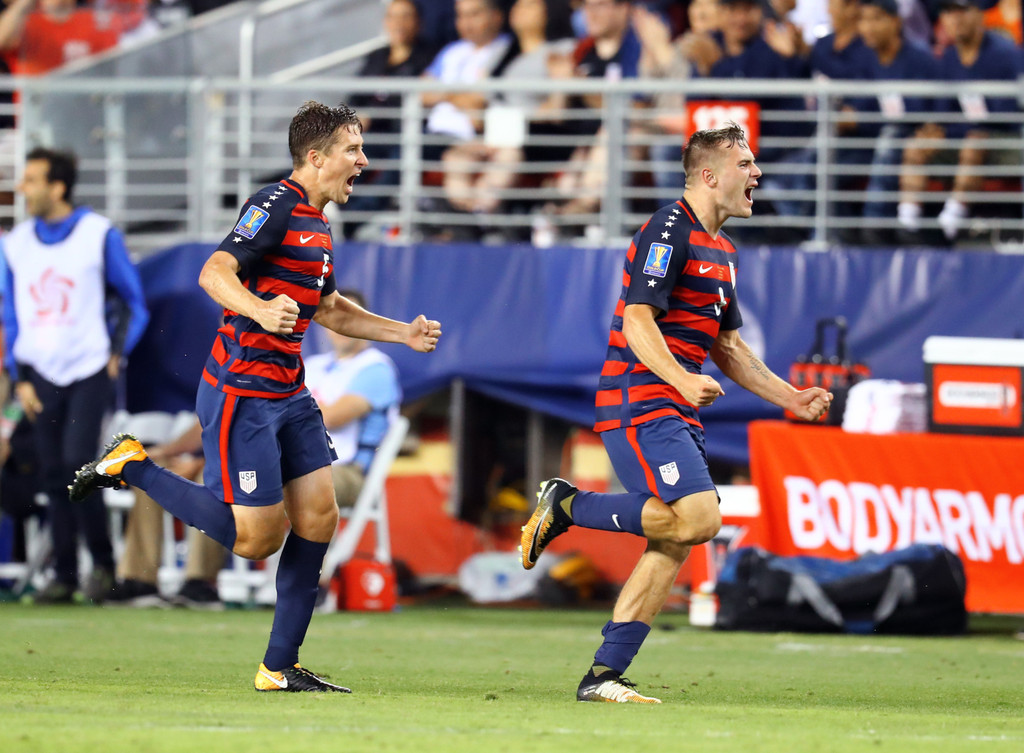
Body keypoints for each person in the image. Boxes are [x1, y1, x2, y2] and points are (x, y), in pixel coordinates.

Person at [70, 101, 442, 693]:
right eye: (353, 150)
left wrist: (403, 332)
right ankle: (133, 465)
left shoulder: (318, 224)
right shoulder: (273, 204)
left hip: (289, 390)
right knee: (256, 539)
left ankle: (279, 666)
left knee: (320, 515)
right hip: (240, 390)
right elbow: (215, 273)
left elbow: (328, 309)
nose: (363, 161)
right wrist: (260, 308)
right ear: (315, 157)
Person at [520, 122, 831, 704]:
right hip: (640, 400)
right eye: (746, 164)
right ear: (709, 175)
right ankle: (567, 504)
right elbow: (639, 320)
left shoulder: (724, 250)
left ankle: (604, 676)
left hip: (672, 404)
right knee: (701, 519)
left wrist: (792, 397)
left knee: (675, 537)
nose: (757, 174)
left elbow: (730, 348)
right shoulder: (668, 228)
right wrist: (683, 379)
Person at [1, 147, 149, 604]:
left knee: (79, 465)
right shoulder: (16, 242)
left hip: (88, 367)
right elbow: (10, 314)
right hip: (38, 371)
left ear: (57, 187)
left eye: (31, 180)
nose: (23, 188)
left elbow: (134, 301)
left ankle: (102, 568)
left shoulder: (97, 233)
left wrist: (116, 354)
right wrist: (18, 374)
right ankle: (63, 574)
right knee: (49, 471)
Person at [896, 0, 1022, 243]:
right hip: (963, 137)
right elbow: (944, 111)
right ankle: (907, 221)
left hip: (1006, 141)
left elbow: (1004, 116)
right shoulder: (949, 57)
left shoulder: (1004, 54)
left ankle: (952, 219)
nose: (955, 19)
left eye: (961, 11)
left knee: (975, 141)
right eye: (948, 12)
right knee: (918, 142)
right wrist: (934, 131)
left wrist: (958, 128)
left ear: (979, 16)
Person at [108, 417, 230, 609]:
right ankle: (140, 580)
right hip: (201, 457)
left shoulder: (250, 388)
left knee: (211, 475)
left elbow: (245, 433)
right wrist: (165, 453)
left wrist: (199, 462)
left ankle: (200, 582)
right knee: (150, 471)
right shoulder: (215, 388)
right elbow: (206, 421)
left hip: (247, 466)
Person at [303, 290, 402, 510]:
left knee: (286, 486)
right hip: (302, 465)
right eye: (335, 319)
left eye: (350, 319)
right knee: (226, 479)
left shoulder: (376, 369)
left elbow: (327, 419)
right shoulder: (313, 365)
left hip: (349, 473)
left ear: (365, 323)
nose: (342, 326)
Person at [857, 0, 941, 243]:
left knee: (890, 137)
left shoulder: (919, 59)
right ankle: (802, 224)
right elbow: (860, 106)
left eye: (876, 18)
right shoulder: (865, 59)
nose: (868, 27)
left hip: (914, 136)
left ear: (896, 21)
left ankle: (873, 227)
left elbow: (924, 113)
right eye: (863, 20)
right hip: (869, 134)